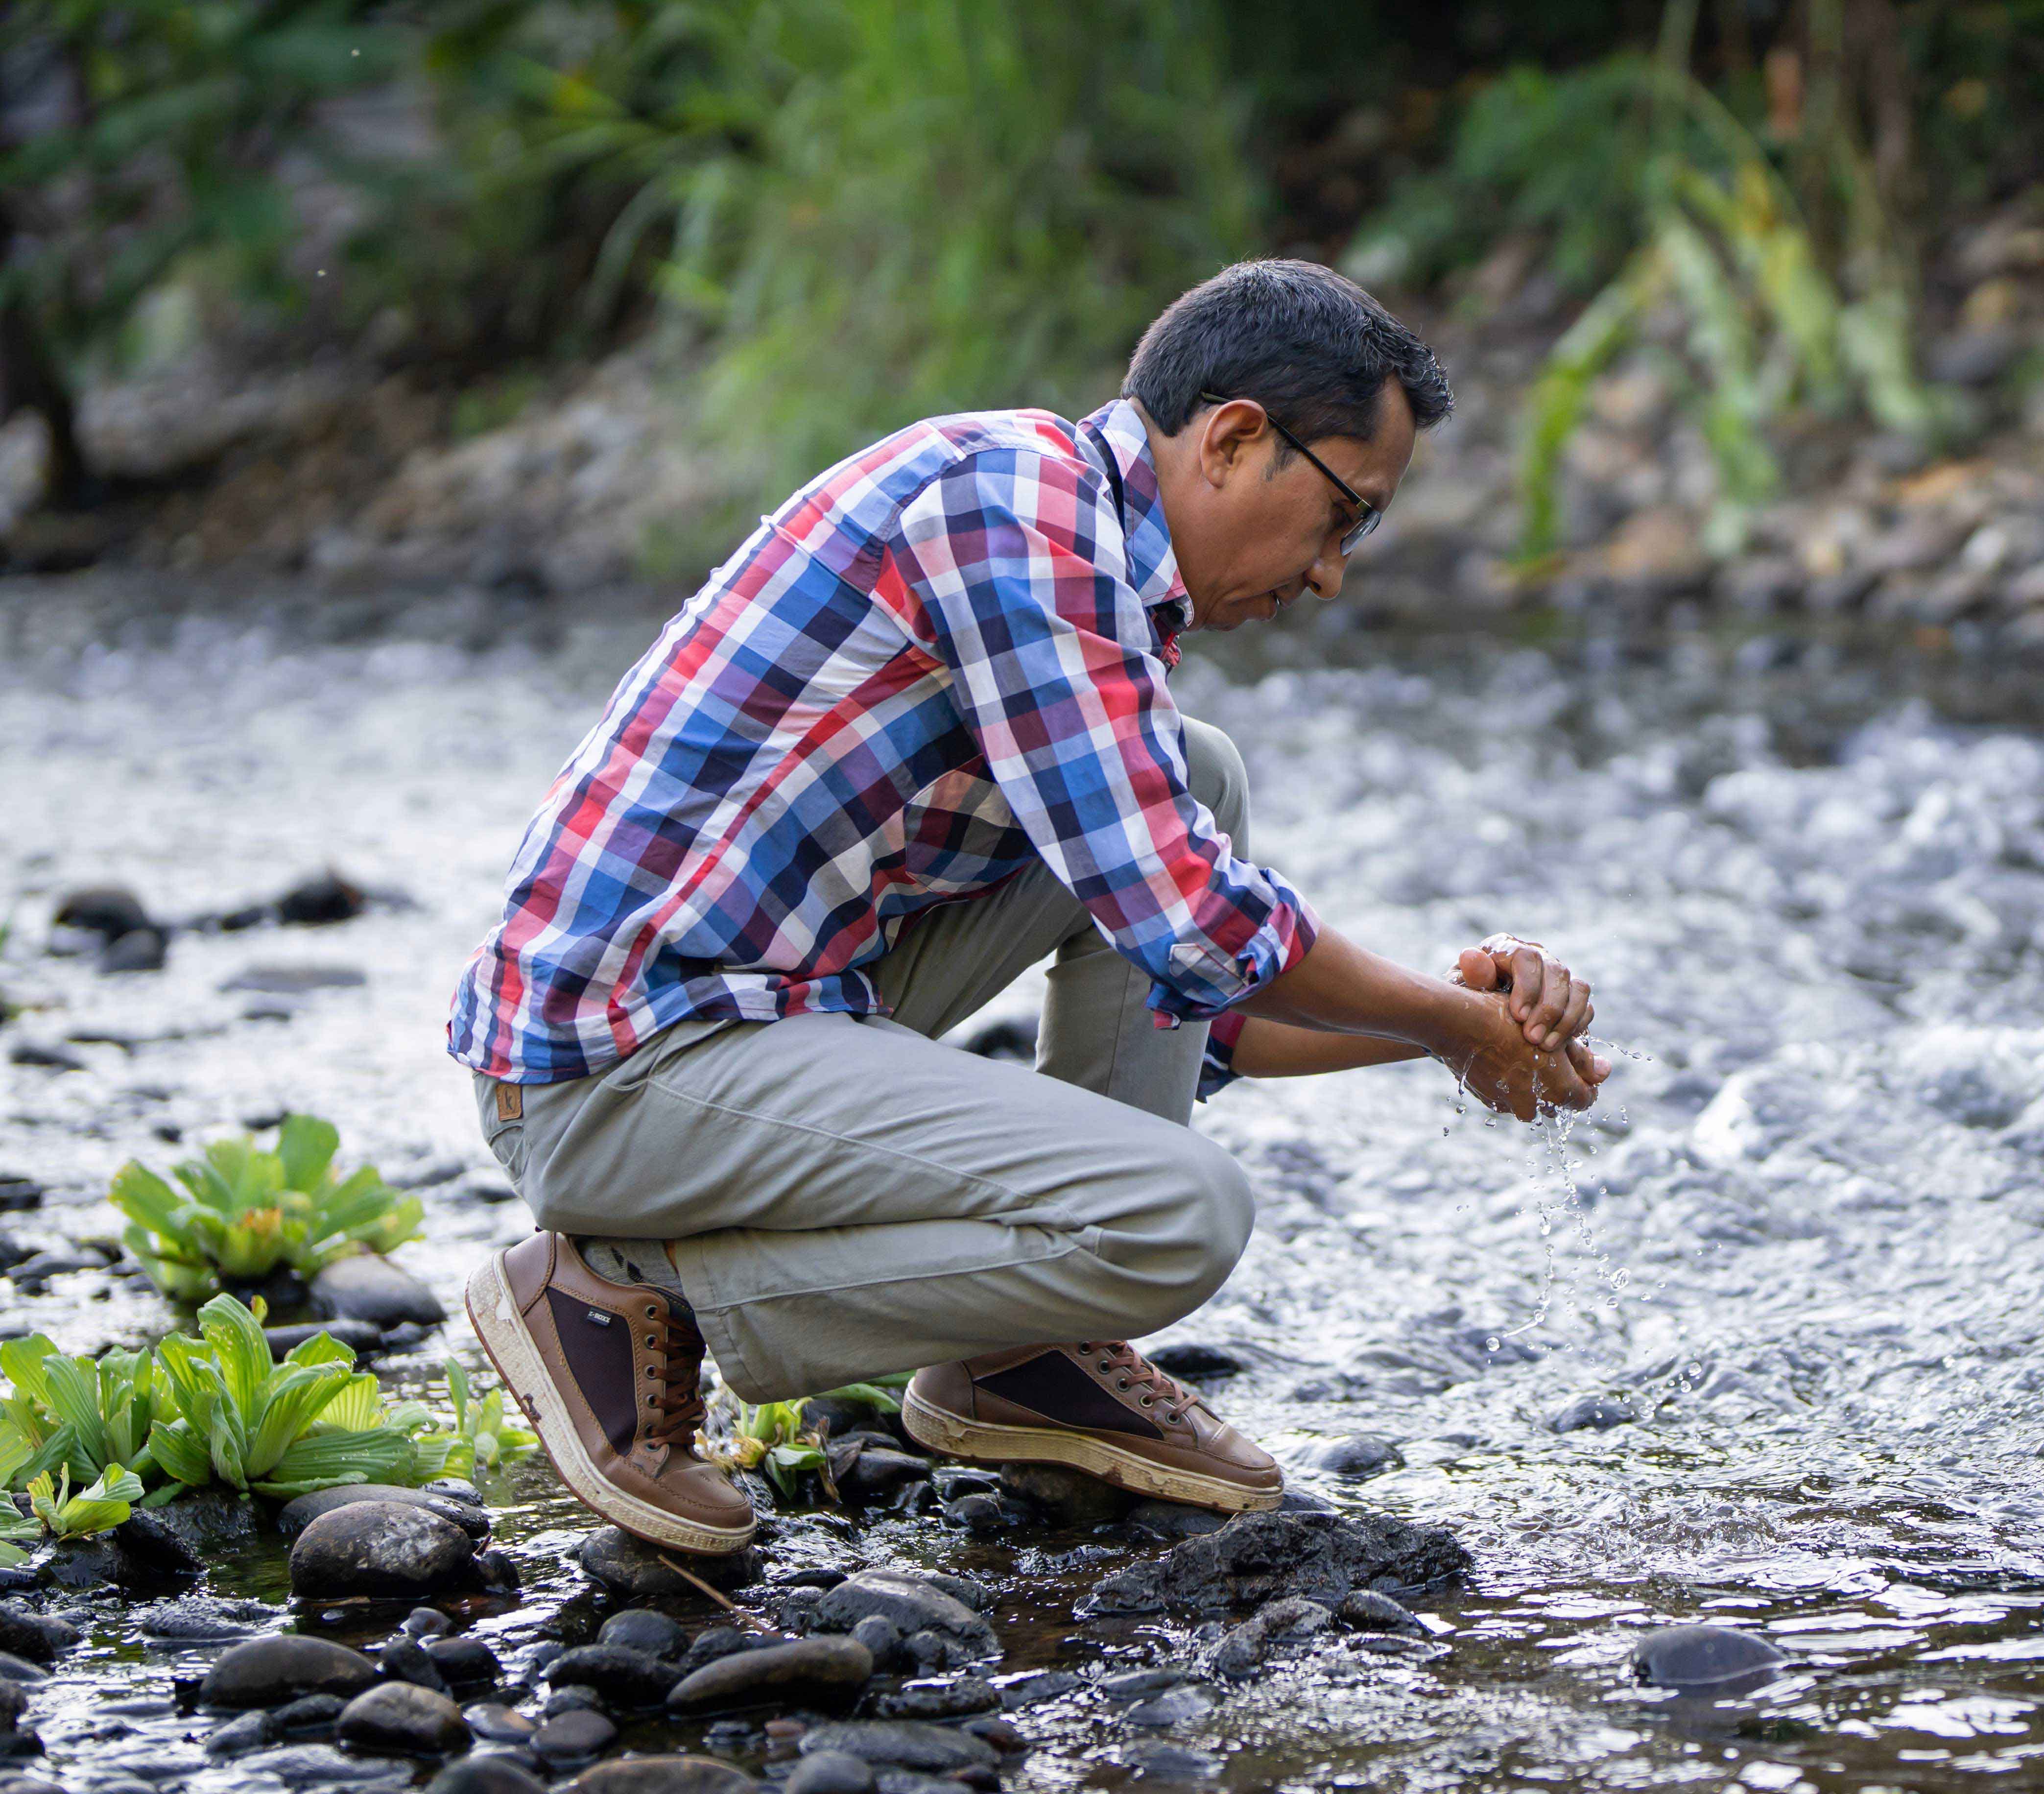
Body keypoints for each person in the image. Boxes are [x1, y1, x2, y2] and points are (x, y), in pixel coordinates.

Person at [445, 259, 1607, 1555]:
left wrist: (1451, 1031)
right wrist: (1452, 1021)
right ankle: (625, 1302)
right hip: (616, 1067)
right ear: (1231, 439)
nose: (1334, 575)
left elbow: (1204, 1008)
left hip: (742, 1009)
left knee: (1198, 774)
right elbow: (1191, 920)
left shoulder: (1068, 536)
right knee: (1184, 1213)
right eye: (1348, 518)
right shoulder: (1018, 522)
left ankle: (1025, 1357)